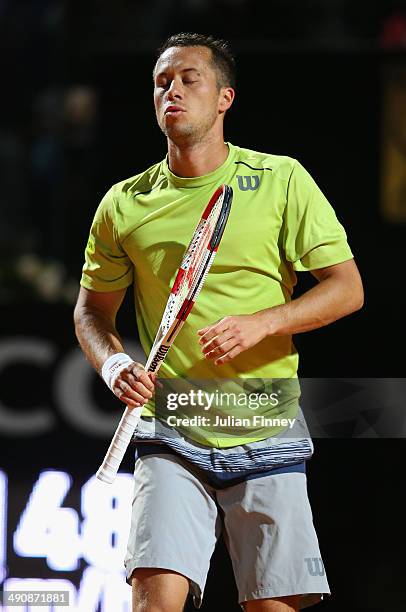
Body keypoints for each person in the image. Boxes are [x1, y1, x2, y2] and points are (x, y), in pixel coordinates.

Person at [74, 33, 364, 612]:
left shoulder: (282, 180)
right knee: (154, 601)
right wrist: (111, 363)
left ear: (224, 97)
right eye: (162, 82)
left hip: (266, 422)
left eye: (189, 79)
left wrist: (264, 322)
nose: (172, 91)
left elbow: (346, 289)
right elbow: (91, 311)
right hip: (172, 428)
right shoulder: (123, 204)